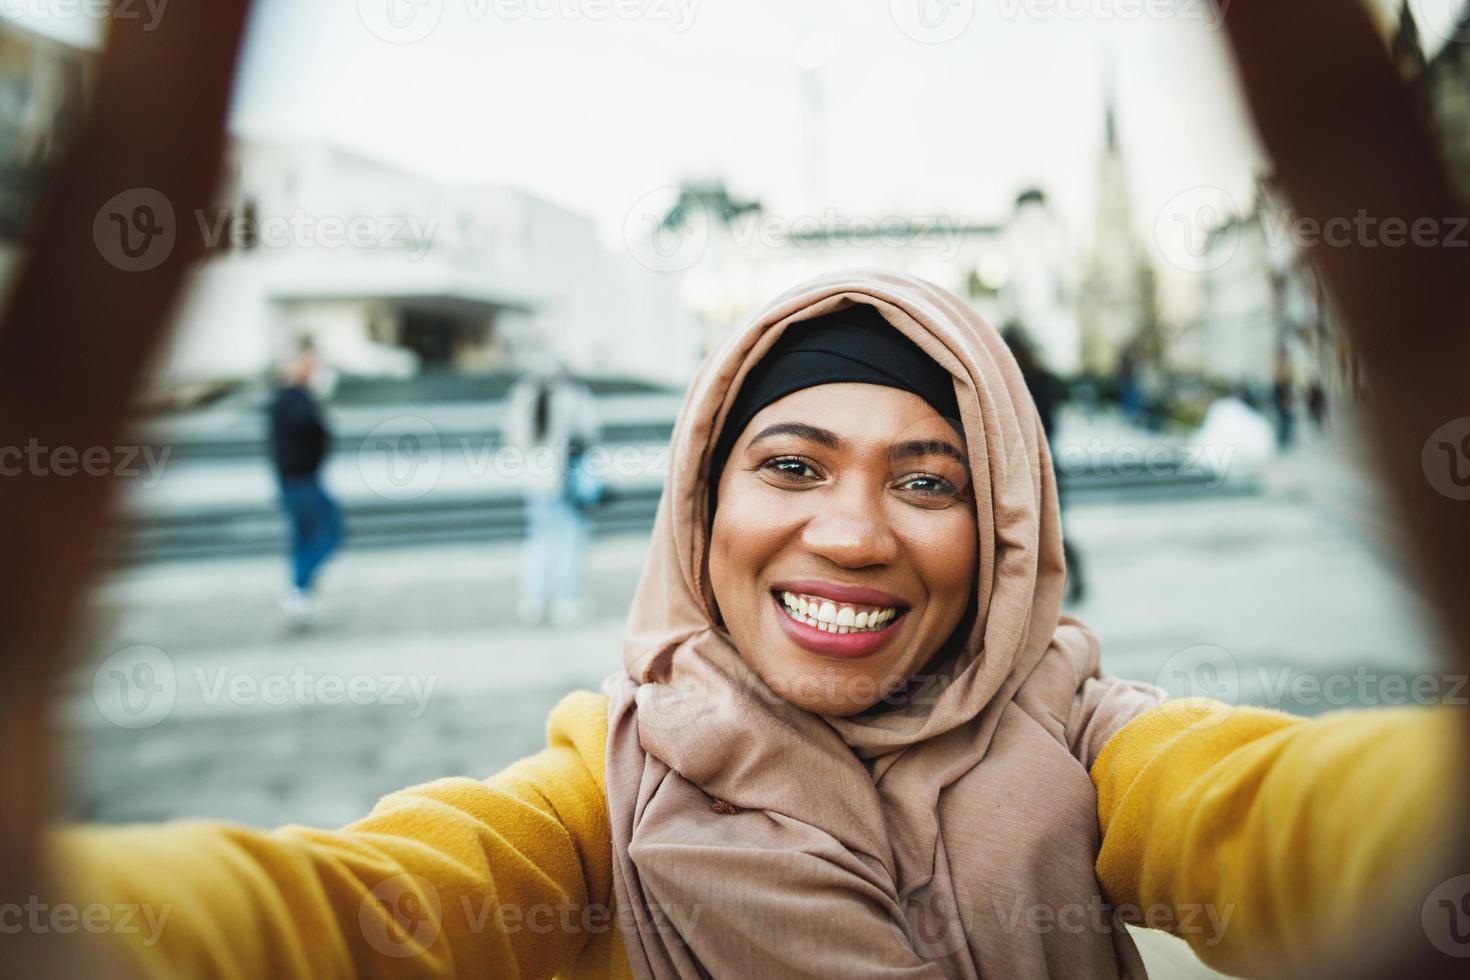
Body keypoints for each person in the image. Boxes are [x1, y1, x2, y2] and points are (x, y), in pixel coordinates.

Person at [50, 272, 1461, 978]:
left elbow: (1296, 812)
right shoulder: (597, 800)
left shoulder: (1093, 747)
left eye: (928, 481)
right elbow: (345, 910)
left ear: (1007, 536)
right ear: (701, 506)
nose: (848, 533)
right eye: (788, 466)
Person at [503, 357, 601, 626]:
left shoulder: (522, 396)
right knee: (569, 540)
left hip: (535, 482)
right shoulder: (573, 396)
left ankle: (534, 599)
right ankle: (566, 600)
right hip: (565, 482)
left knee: (539, 540)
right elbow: (589, 430)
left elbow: (514, 439)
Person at [1002, 321, 1085, 603]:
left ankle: (1059, 582)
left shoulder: (1010, 381)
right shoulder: (1041, 378)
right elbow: (1052, 422)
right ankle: (1070, 581)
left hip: (1026, 462)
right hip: (1041, 460)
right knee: (1053, 528)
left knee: (1042, 529)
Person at [267, 339, 343, 625]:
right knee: (328, 532)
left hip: (299, 478)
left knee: (306, 536)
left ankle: (298, 592)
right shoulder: (292, 398)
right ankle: (297, 589)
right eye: (309, 364)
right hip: (301, 480)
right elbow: (310, 430)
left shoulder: (291, 397)